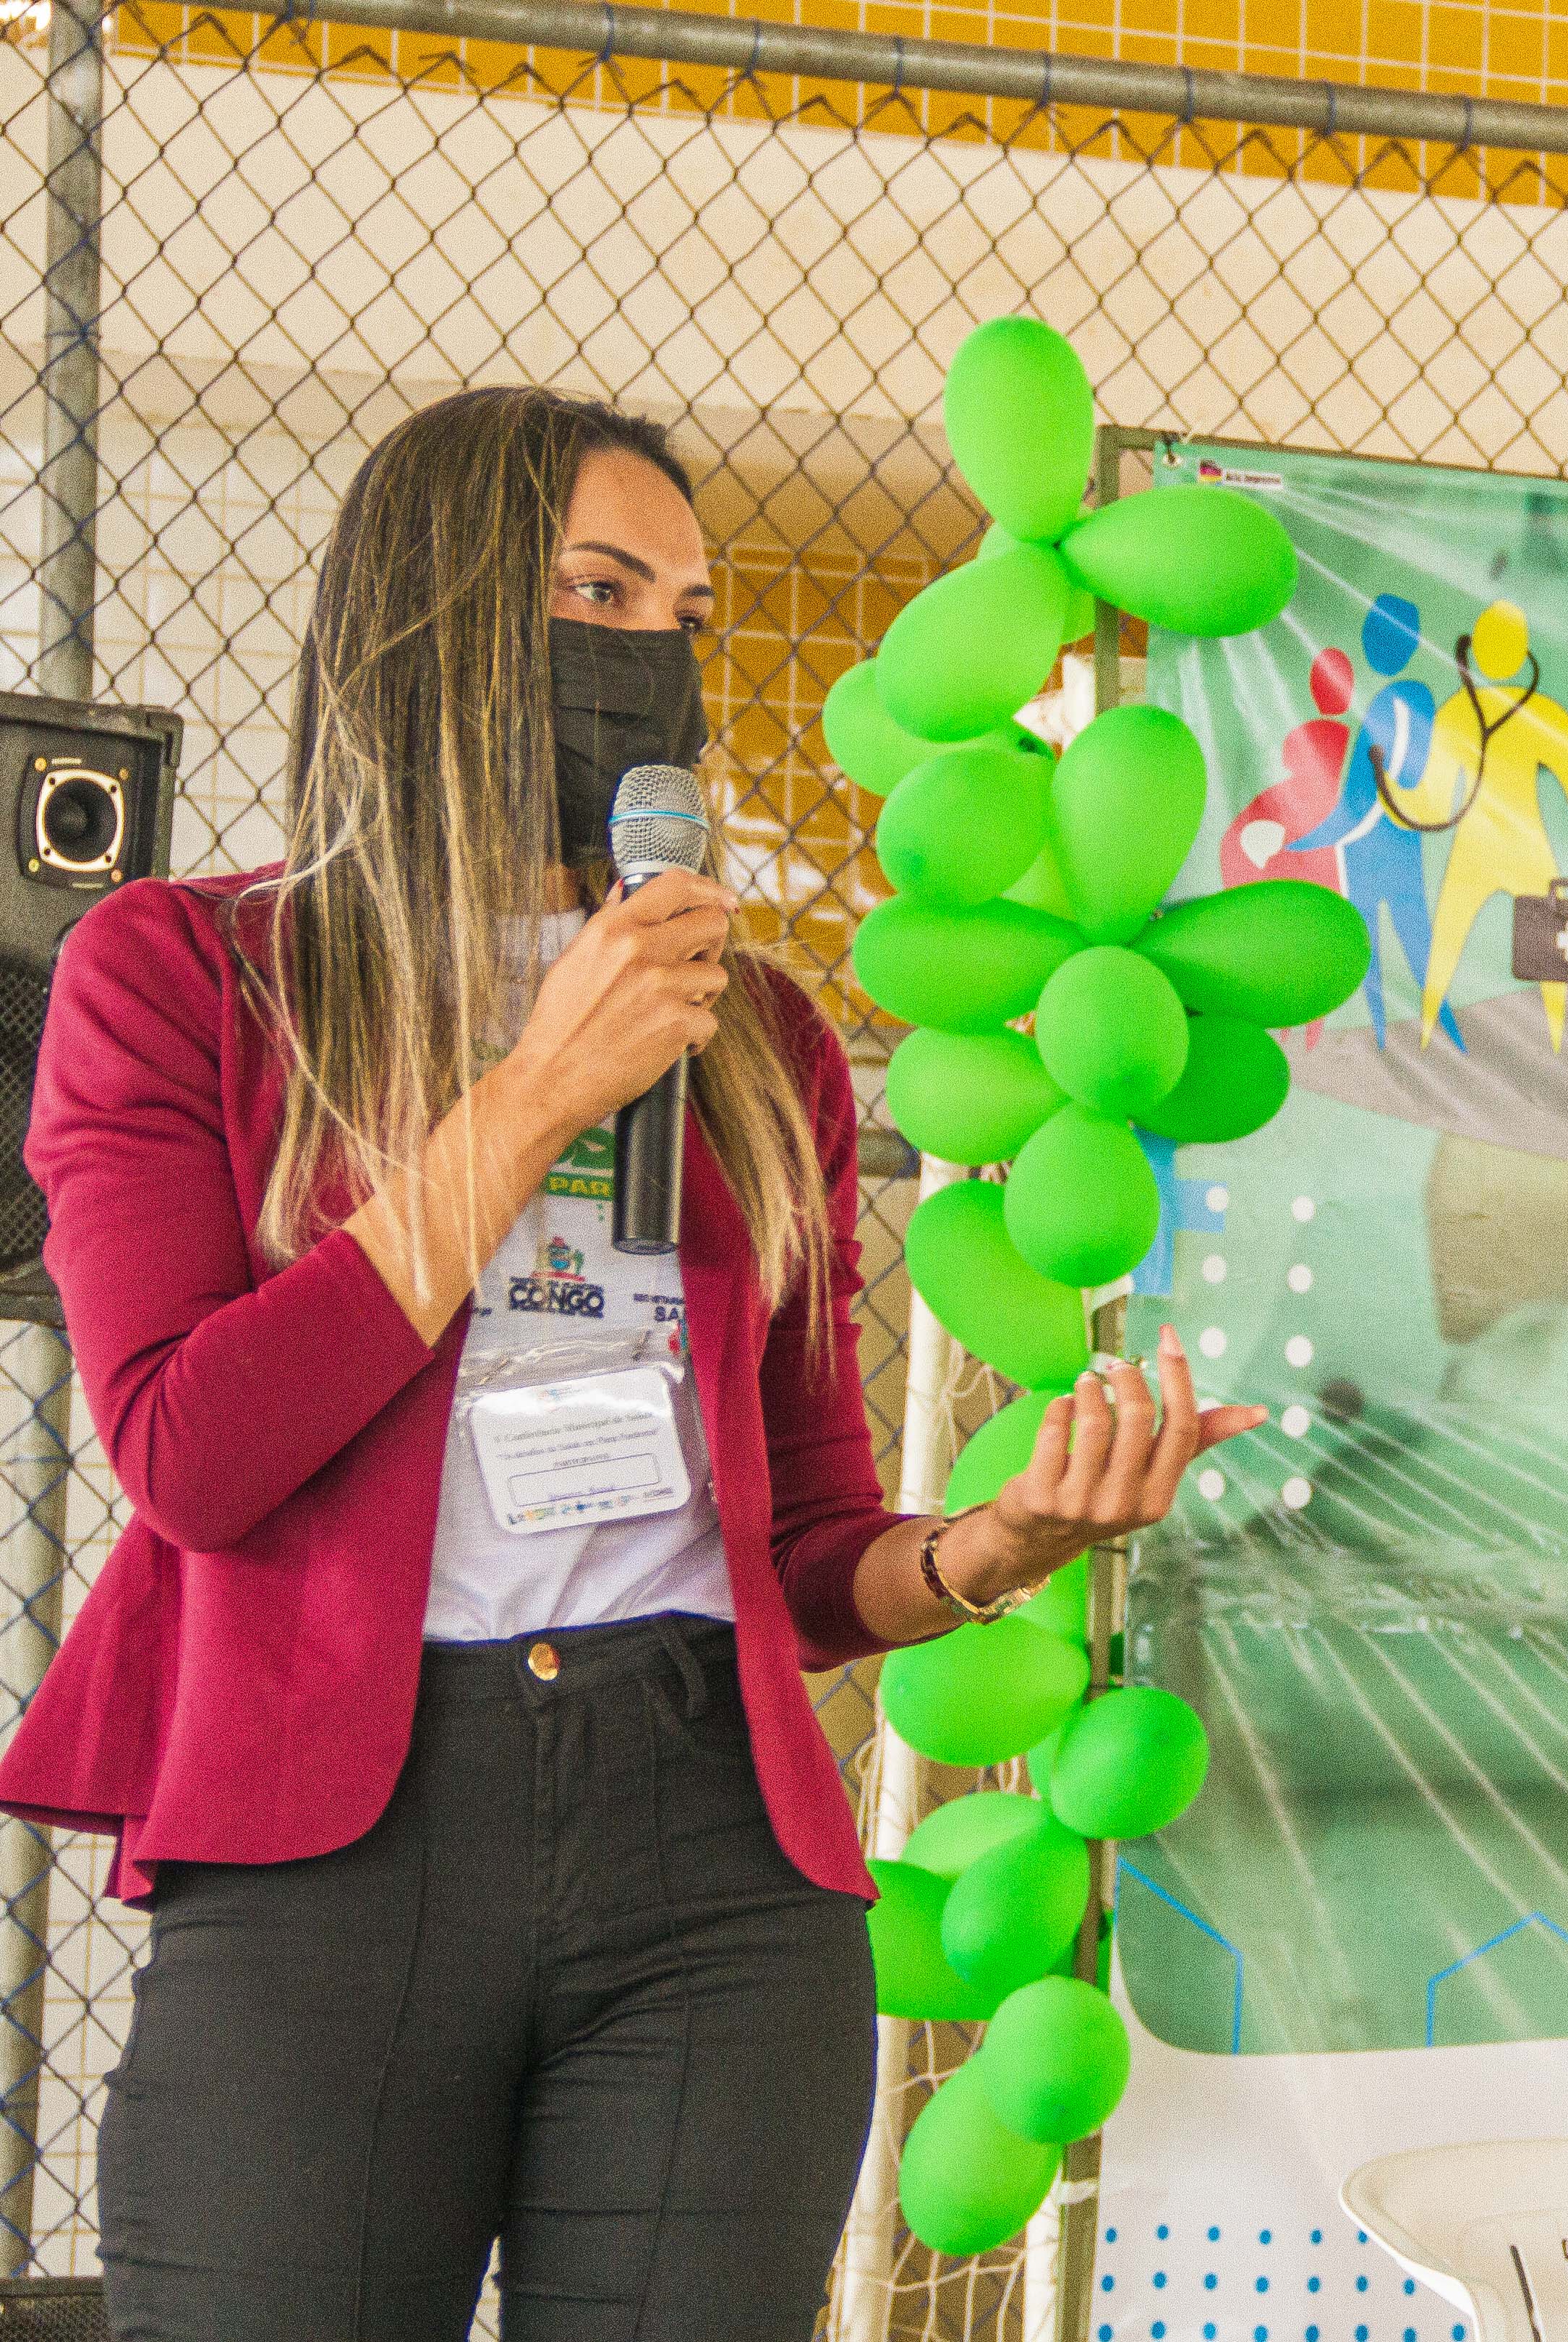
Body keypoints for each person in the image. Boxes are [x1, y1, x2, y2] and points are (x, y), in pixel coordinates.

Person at [0, 387, 1259, 2341]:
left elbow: (810, 1548)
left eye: (681, 613)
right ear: (437, 621)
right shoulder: (189, 976)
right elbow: (191, 1455)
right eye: (597, 592)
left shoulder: (758, 1040)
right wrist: (534, 1094)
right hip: (336, 1840)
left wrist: (990, 1548)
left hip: (707, 1846)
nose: (651, 655)